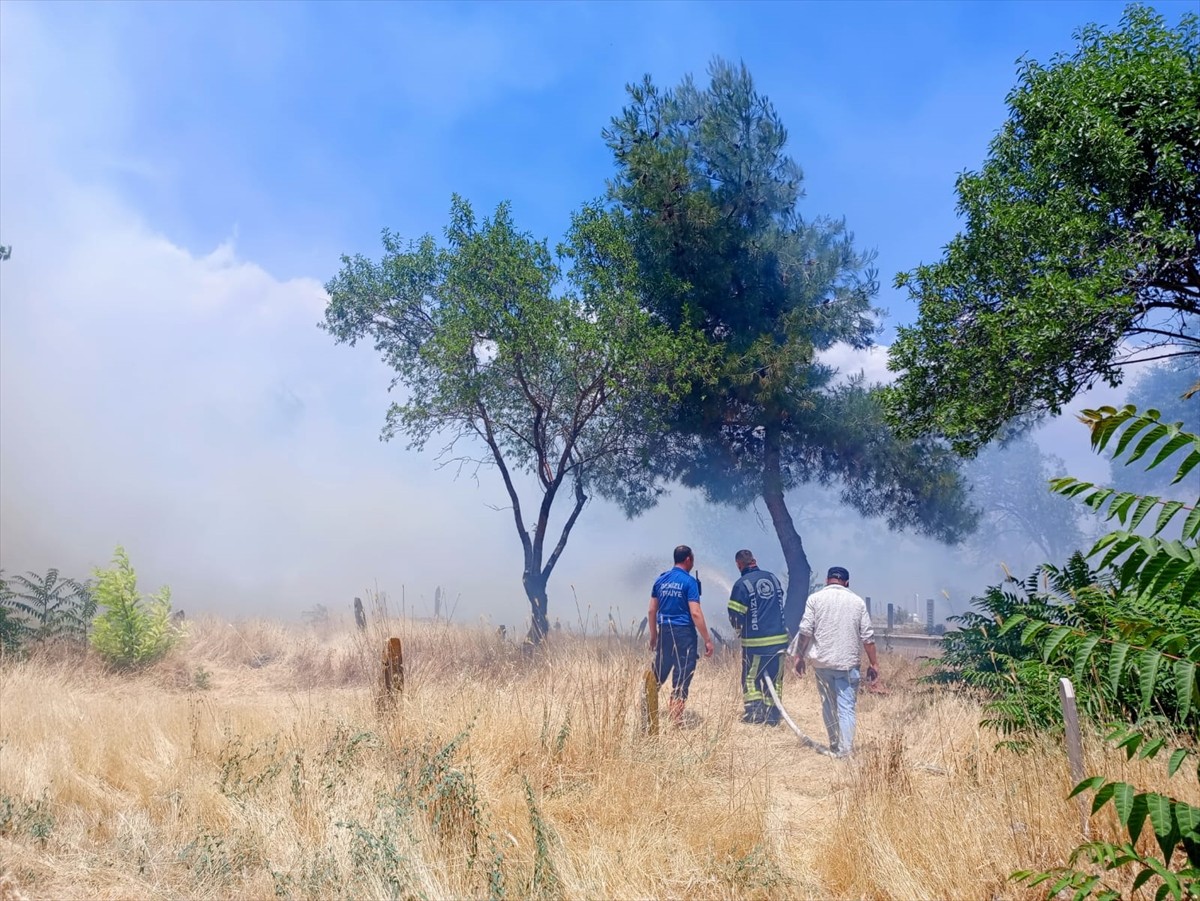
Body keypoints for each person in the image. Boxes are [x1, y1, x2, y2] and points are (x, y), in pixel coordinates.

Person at [788, 566, 879, 758]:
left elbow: (805, 631)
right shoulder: (857, 602)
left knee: (828, 704)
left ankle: (835, 744)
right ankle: (845, 751)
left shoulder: (815, 599)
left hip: (822, 663)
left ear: (827, 580)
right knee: (846, 708)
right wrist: (874, 664)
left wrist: (799, 656)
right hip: (848, 665)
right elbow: (868, 638)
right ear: (847, 583)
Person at [648, 545, 715, 724]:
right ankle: (676, 720)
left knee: (659, 672)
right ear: (688, 559)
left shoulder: (661, 580)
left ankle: (646, 708)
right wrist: (707, 640)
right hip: (684, 633)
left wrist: (654, 636)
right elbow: (695, 613)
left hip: (665, 631)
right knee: (683, 674)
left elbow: (651, 611)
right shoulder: (689, 582)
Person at [727, 549, 788, 725]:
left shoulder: (742, 584)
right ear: (755, 560)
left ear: (739, 564)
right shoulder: (773, 579)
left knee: (751, 678)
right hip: (779, 641)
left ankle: (755, 713)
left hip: (755, 643)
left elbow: (735, 614)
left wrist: (740, 631)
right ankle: (773, 714)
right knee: (775, 679)